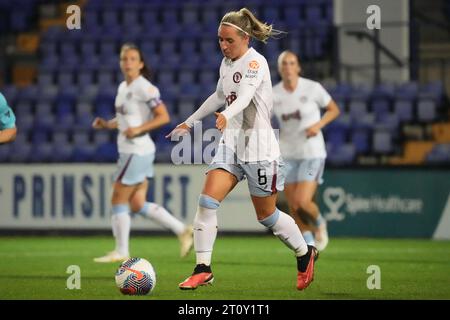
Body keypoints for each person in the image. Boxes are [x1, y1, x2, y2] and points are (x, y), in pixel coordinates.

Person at [167, 8, 316, 291]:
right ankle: (203, 268)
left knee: (267, 217)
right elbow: (219, 95)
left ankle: (305, 253)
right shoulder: (226, 64)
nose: (223, 46)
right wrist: (189, 122)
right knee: (207, 202)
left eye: (228, 41)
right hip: (232, 146)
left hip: (260, 150)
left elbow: (245, 97)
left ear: (245, 38)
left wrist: (226, 114)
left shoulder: (255, 63)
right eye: (220, 40)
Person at [92, 43, 193, 263]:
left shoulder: (145, 88)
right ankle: (182, 230)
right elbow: (127, 119)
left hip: (136, 150)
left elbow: (163, 116)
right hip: (137, 151)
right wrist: (108, 125)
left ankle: (121, 250)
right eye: (124, 59)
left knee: (118, 196)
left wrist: (138, 129)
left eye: (132, 59)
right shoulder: (123, 88)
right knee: (137, 203)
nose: (127, 62)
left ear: (140, 64)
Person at [272, 51, 340, 251]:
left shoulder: (312, 88)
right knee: (293, 206)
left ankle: (320, 223)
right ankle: (309, 243)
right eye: (284, 63)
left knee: (303, 201)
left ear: (298, 67)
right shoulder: (274, 94)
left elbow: (334, 109)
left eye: (292, 63)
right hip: (288, 154)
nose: (288, 67)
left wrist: (318, 125)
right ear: (279, 69)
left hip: (312, 152)